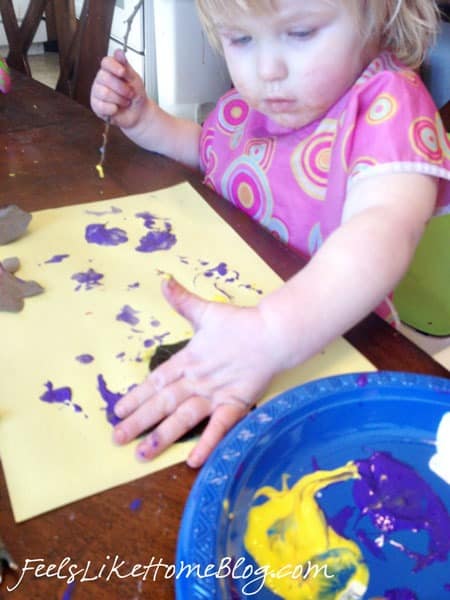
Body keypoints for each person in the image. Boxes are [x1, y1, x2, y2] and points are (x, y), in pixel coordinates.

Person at [90, 0, 450, 468]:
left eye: (300, 33)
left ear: (377, 14)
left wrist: (270, 333)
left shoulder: (388, 105)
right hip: (229, 328)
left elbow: (383, 228)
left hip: (334, 352)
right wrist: (143, 120)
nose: (267, 69)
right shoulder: (262, 101)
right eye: (240, 39)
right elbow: (210, 151)